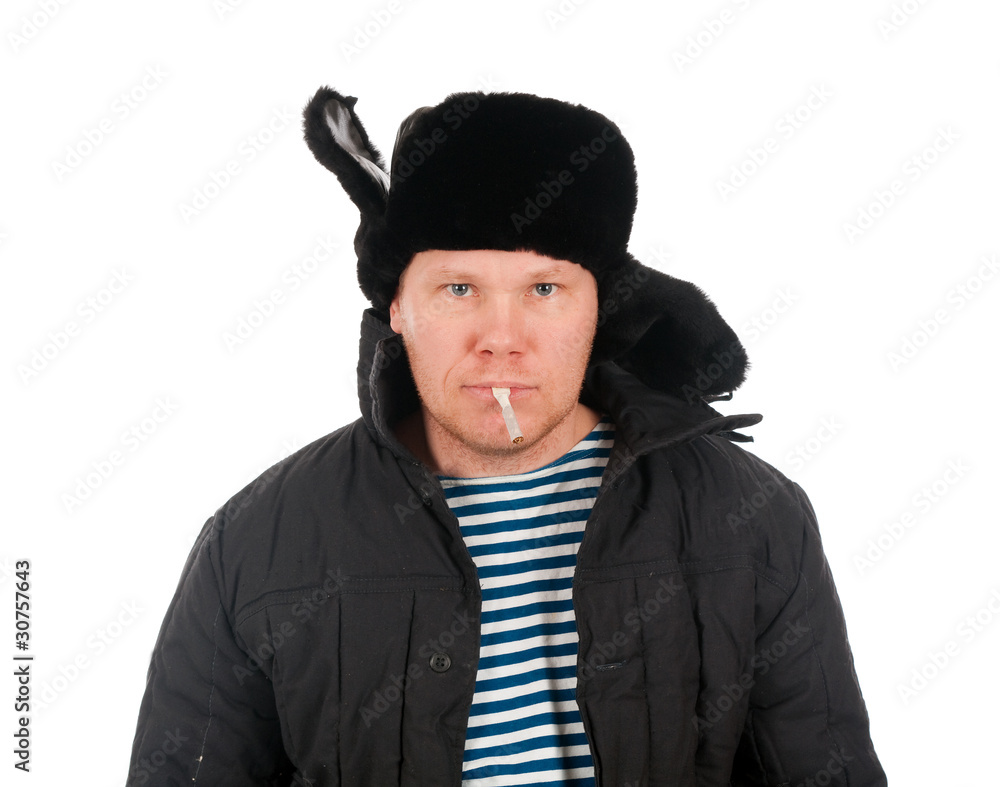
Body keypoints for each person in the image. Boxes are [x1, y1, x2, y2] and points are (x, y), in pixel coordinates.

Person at [126, 86, 887, 786]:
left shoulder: (754, 519)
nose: (501, 338)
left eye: (544, 289)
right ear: (398, 307)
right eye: (458, 288)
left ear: (599, 307)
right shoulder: (253, 546)